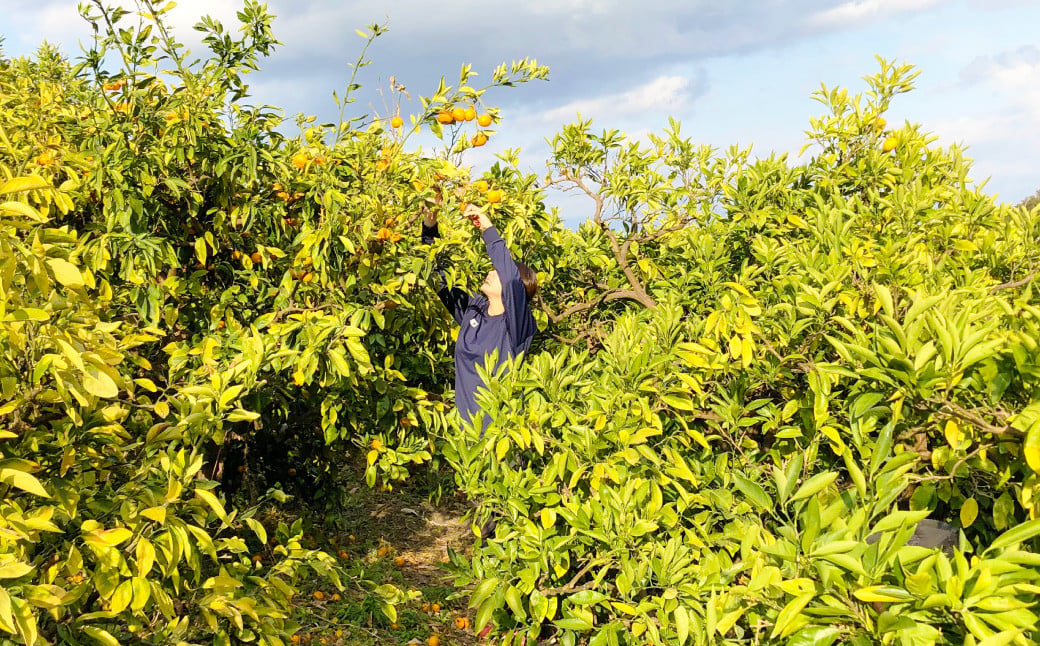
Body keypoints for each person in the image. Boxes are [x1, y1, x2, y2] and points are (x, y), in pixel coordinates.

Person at [421, 199, 538, 432]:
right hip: (466, 435)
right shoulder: (473, 311)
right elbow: (438, 281)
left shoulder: (517, 324)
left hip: (500, 435)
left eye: (497, 272)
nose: (491, 272)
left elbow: (511, 278)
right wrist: (429, 228)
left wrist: (487, 228)